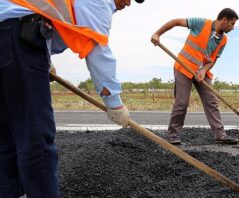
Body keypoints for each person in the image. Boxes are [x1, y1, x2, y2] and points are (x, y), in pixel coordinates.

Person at [0, 0, 144, 197]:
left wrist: (43, 57)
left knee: (7, 138)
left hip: (10, 34)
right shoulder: (100, 2)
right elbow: (97, 50)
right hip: (17, 36)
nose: (128, 3)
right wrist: (114, 103)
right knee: (36, 142)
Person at [151, 8, 239, 145]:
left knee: (211, 101)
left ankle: (220, 135)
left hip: (201, 72)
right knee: (182, 102)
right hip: (183, 67)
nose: (233, 27)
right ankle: (173, 135)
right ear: (224, 20)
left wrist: (204, 70)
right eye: (232, 24)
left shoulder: (223, 40)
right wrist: (157, 34)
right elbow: (175, 22)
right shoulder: (200, 23)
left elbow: (213, 59)